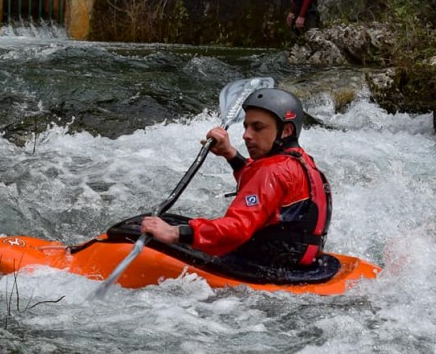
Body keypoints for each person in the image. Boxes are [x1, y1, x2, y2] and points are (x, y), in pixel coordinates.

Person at [141, 88, 332, 268]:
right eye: (246, 127)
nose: (246, 135)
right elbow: (261, 183)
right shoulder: (302, 161)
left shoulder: (273, 171)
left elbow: (238, 228)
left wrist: (175, 233)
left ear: (286, 131)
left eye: (257, 128)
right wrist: (230, 154)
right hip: (297, 261)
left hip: (265, 267)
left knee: (164, 226)